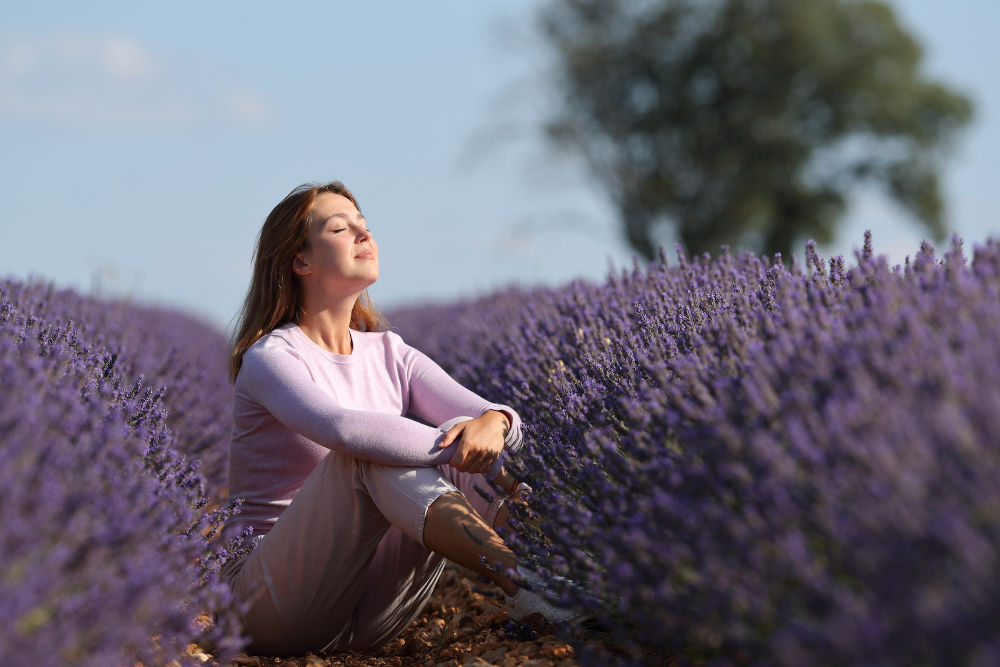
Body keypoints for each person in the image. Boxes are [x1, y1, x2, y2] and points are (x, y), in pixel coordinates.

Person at [222, 181, 578, 656]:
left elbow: (492, 420)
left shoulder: (390, 351)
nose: (363, 236)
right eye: (340, 228)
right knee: (371, 451)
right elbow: (343, 429)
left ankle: (567, 565)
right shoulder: (272, 357)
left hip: (372, 614)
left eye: (365, 227)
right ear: (300, 261)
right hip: (271, 606)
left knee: (445, 446)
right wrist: (460, 442)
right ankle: (524, 579)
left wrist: (494, 421)